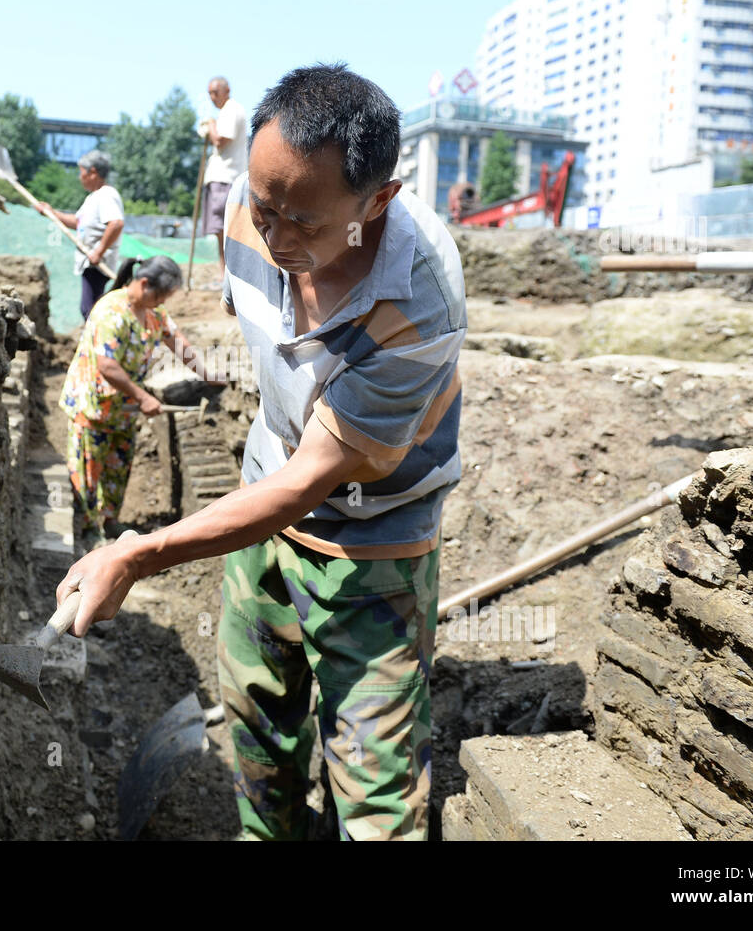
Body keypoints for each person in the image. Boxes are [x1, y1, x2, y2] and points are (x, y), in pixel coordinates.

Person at [51, 64, 467, 841]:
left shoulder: (418, 303)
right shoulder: (249, 210)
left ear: (377, 201)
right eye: (263, 205)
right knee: (256, 729)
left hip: (373, 540)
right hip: (263, 502)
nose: (273, 238)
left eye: (303, 222)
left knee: (376, 791)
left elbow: (316, 477)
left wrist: (140, 554)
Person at [59, 255, 219, 548]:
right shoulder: (111, 311)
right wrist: (144, 397)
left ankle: (109, 522)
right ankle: (85, 532)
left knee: (117, 467)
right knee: (87, 472)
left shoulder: (153, 313)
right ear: (144, 284)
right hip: (92, 406)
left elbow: (178, 341)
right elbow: (107, 366)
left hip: (122, 409)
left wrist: (209, 374)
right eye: (161, 295)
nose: (162, 303)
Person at [34, 150, 124, 320]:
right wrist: (51, 212)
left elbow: (116, 223)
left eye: (81, 172)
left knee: (90, 310)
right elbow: (77, 222)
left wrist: (99, 252)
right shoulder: (93, 198)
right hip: (91, 261)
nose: (79, 177)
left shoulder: (107, 195)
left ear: (93, 173)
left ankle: (99, 343)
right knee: (90, 309)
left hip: (97, 263)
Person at [197, 77, 247, 281]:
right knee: (220, 231)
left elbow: (220, 141)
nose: (212, 97)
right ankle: (224, 274)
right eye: (209, 93)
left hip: (226, 177)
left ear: (227, 90)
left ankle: (230, 275)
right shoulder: (227, 111)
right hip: (222, 177)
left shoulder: (231, 110)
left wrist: (210, 125)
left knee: (226, 228)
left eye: (215, 92)